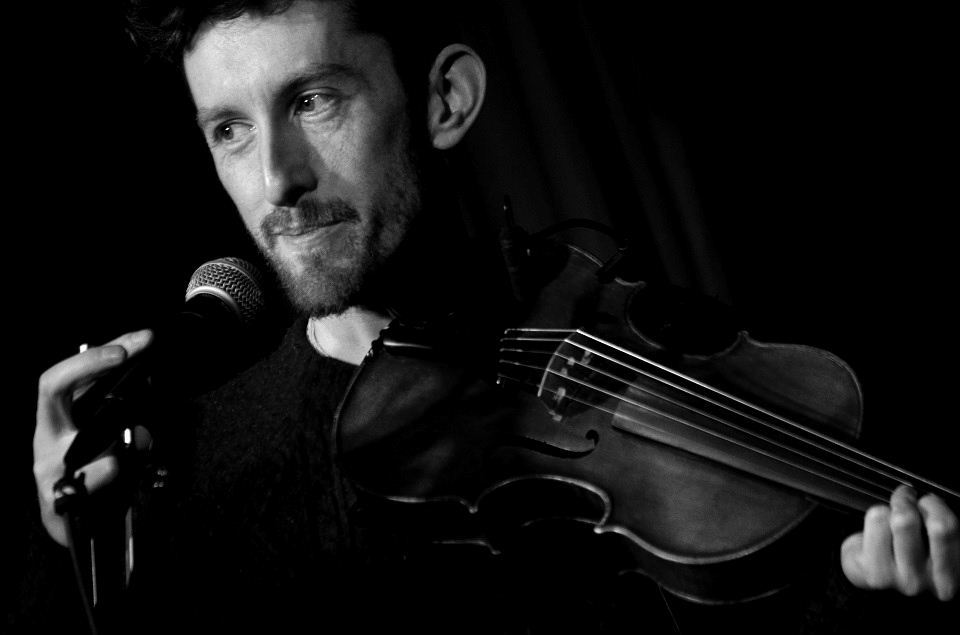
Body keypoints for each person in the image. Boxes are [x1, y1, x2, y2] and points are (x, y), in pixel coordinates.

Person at [25, 1, 958, 633]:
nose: (276, 179)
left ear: (445, 100)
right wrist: (85, 550)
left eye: (313, 100)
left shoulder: (636, 338)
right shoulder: (201, 459)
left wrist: (862, 601)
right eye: (229, 129)